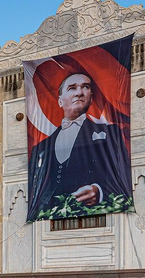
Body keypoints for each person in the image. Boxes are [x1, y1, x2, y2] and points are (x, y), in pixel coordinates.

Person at [27, 72, 132, 220]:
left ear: (90, 98)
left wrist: (99, 191)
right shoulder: (41, 148)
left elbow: (124, 174)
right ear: (60, 101)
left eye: (85, 87)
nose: (79, 93)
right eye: (72, 88)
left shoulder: (109, 134)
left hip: (95, 218)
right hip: (48, 222)